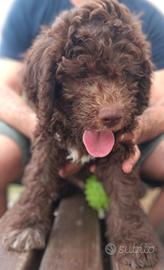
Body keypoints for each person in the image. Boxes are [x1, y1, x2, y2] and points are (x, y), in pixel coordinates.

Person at [0, 0, 164, 225]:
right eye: (83, 77)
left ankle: (144, 241)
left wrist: (139, 128)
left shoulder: (147, 16)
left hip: (126, 135)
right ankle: (13, 248)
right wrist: (39, 125)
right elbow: (2, 88)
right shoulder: (30, 6)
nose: (107, 100)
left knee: (131, 221)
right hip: (51, 123)